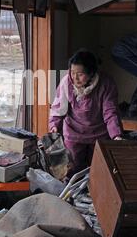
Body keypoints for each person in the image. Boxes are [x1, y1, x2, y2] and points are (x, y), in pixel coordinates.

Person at [49, 49, 123, 177]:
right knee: (72, 170)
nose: (75, 77)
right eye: (72, 72)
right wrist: (54, 125)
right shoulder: (66, 82)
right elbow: (58, 107)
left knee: (97, 171)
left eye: (80, 74)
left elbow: (110, 112)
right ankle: (72, 197)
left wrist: (116, 135)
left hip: (99, 133)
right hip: (73, 133)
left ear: (91, 72)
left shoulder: (106, 83)